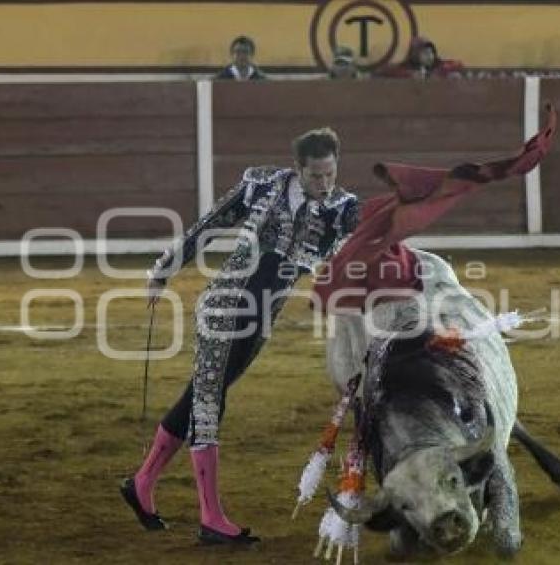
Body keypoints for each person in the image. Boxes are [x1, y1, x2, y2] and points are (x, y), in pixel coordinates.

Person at [119, 128, 359, 545]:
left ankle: (141, 484)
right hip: (222, 309)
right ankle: (211, 518)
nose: (324, 185)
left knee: (200, 393)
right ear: (298, 169)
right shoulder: (261, 185)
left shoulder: (342, 208)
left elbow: (358, 247)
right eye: (316, 176)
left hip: (259, 321)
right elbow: (208, 225)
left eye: (330, 175)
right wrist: (163, 270)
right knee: (210, 401)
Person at [375, 36, 464, 79]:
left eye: (431, 52)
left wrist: (437, 73)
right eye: (425, 53)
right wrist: (411, 74)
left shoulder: (439, 64)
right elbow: (382, 70)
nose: (430, 56)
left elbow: (458, 65)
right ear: (415, 55)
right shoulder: (407, 66)